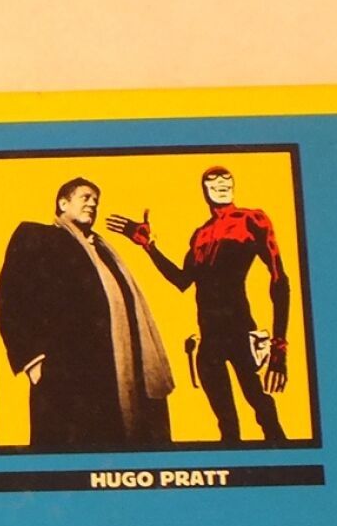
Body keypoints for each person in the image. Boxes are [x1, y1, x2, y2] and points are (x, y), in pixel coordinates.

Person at [106, 167, 291, 443]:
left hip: (240, 333)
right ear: (205, 190)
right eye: (212, 181)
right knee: (227, 425)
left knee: (264, 411)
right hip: (209, 341)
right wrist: (148, 246)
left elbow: (279, 279)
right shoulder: (200, 235)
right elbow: (182, 280)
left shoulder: (252, 219)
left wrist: (279, 348)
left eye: (226, 178)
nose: (220, 182)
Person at [0, 177, 175, 451]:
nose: (92, 204)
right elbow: (10, 297)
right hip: (66, 375)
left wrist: (149, 245)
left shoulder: (103, 250)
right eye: (85, 197)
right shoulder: (37, 235)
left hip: (117, 374)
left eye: (96, 201)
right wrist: (32, 361)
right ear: (63, 203)